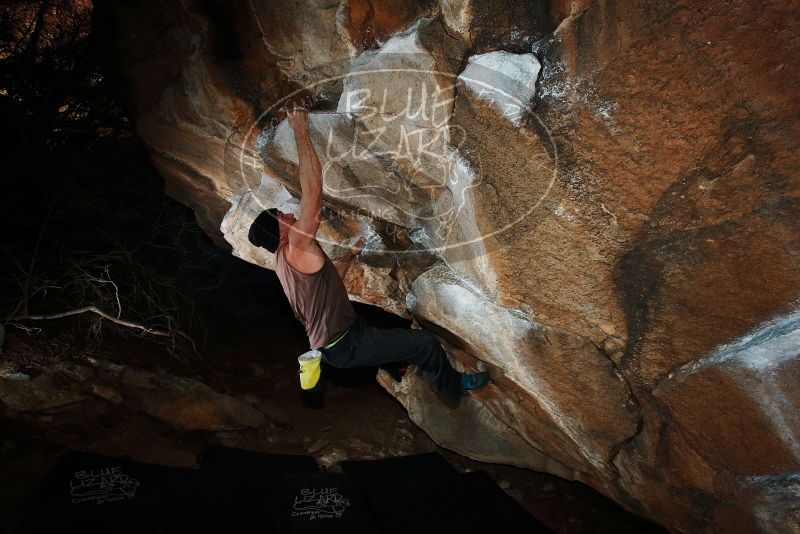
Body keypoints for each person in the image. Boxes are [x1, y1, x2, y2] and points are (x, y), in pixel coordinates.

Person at [248, 106, 489, 407]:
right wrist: (301, 131)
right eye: (283, 215)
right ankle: (453, 390)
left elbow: (328, 283)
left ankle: (399, 367)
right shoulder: (295, 245)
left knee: (397, 339)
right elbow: (313, 192)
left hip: (342, 340)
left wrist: (348, 254)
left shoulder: (285, 262)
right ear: (278, 229)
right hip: (346, 344)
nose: (289, 213)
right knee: (424, 343)